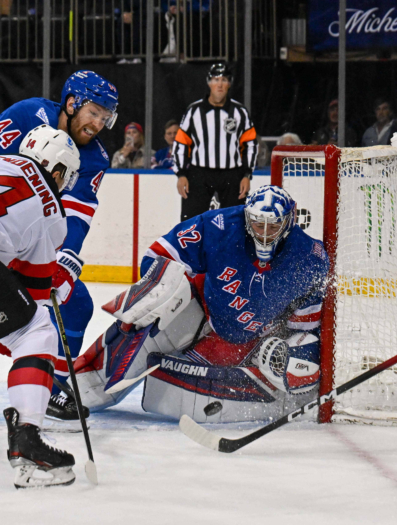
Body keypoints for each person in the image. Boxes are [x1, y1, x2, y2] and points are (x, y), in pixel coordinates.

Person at [73, 186, 329, 422]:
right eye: (257, 224)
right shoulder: (220, 226)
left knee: (183, 397)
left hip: (243, 341)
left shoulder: (308, 259)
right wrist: (162, 291)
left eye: (272, 226)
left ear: (288, 223)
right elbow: (158, 255)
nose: (263, 233)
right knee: (134, 333)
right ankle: (75, 389)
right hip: (198, 307)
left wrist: (290, 356)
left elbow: (305, 328)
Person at [0, 70, 118, 423]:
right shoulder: (26, 115)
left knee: (77, 304)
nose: (98, 124)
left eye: (105, 117)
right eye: (94, 112)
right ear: (71, 103)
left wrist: (65, 259)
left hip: (26, 241)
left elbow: (77, 213)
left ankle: (49, 386)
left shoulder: (95, 158)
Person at [0, 125, 82, 488]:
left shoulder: (3, 160)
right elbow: (32, 297)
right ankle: (27, 440)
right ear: (58, 170)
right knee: (37, 331)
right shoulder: (52, 211)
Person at [172, 62, 258, 222]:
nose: (219, 84)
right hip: (199, 175)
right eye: (216, 79)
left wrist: (247, 175)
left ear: (229, 84)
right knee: (191, 223)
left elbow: (250, 145)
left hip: (232, 175)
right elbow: (181, 144)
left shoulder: (240, 112)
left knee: (234, 223)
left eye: (224, 80)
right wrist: (181, 174)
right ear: (209, 82)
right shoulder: (194, 111)